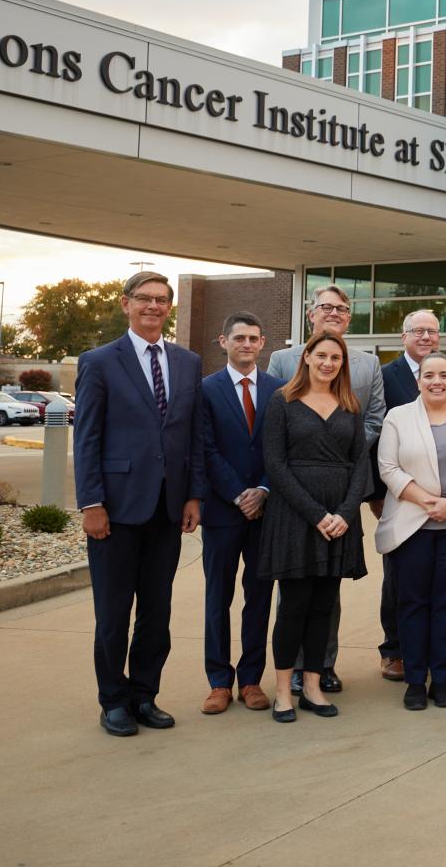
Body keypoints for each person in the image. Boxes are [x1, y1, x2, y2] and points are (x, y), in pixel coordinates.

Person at [75, 271, 205, 737]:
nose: (154, 306)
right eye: (145, 299)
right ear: (126, 304)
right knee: (113, 614)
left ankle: (145, 695)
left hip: (168, 509)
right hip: (115, 509)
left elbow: (192, 436)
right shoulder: (99, 361)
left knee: (157, 612)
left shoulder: (188, 362)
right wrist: (91, 503)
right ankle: (113, 699)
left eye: (162, 300)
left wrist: (193, 494)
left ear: (170, 308)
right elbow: (87, 437)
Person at [267, 282, 385, 695]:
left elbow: (372, 424)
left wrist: (345, 494)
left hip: (341, 499)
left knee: (326, 599)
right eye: (325, 307)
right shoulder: (281, 372)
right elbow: (274, 450)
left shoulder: (364, 373)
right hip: (296, 506)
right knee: (294, 598)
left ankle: (320, 669)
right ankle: (290, 677)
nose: (333, 313)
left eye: (341, 308)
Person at [258, 332, 371, 722]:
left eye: (335, 358)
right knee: (294, 606)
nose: (328, 363)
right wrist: (316, 514)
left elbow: (360, 465)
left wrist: (344, 512)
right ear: (306, 357)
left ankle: (312, 686)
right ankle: (282, 690)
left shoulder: (350, 405)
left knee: (324, 606)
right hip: (295, 518)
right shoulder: (282, 401)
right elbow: (275, 464)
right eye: (321, 355)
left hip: (340, 518)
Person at [376, 352, 446, 710]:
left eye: (443, 375)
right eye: (429, 375)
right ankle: (414, 680)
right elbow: (388, 468)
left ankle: (441, 679)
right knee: (412, 603)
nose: (436, 381)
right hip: (413, 525)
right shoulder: (398, 417)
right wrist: (428, 501)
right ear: (418, 380)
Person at [373, 308, 446, 683]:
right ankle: (395, 650)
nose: (426, 337)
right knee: (401, 582)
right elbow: (377, 434)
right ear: (404, 336)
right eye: (418, 331)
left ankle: (433, 653)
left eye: (432, 331)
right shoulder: (387, 376)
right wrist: (379, 493)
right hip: (400, 497)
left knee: (442, 590)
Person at [199, 311, 282, 715]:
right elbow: (206, 449)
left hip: (266, 513)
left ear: (263, 343)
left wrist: (263, 489)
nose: (246, 344)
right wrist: (238, 494)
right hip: (222, 511)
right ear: (223, 342)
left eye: (253, 338)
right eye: (239, 338)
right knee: (218, 596)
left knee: (259, 597)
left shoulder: (279, 390)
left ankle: (250, 679)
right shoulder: (205, 390)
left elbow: (280, 450)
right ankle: (218, 681)